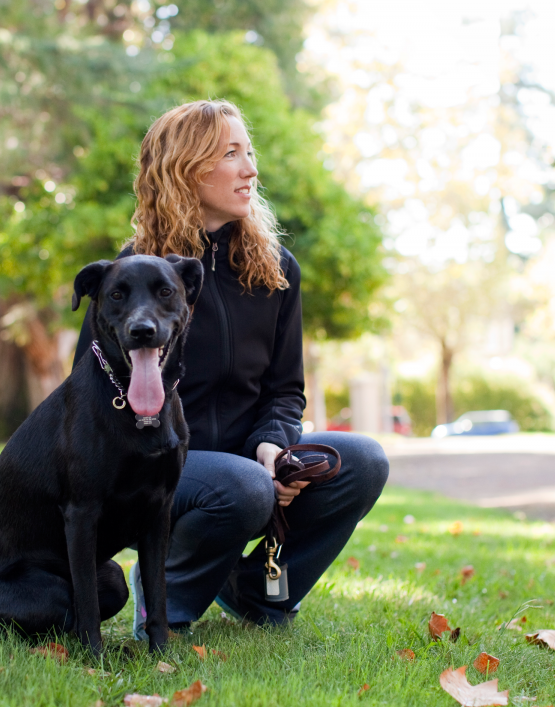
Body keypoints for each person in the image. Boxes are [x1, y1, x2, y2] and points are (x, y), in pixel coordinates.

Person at [71, 99, 389, 637]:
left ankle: (257, 591)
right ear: (187, 170)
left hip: (245, 461)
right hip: (157, 462)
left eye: (249, 153)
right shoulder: (132, 274)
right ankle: (165, 604)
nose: (250, 170)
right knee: (242, 485)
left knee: (362, 460)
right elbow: (86, 393)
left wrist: (273, 444)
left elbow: (285, 390)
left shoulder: (276, 269)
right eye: (231, 154)